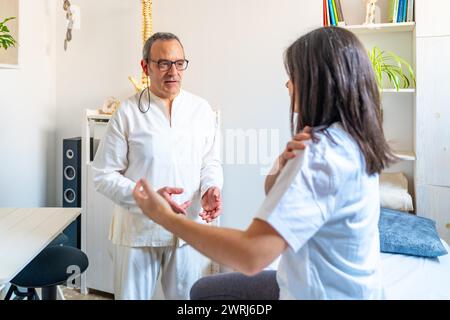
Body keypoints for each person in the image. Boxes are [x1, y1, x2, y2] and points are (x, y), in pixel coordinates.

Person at [132, 26, 395, 300]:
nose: (288, 85)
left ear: (318, 83)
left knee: (201, 294)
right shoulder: (350, 138)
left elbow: (251, 255)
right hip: (354, 287)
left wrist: (164, 217)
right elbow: (277, 191)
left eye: (293, 76)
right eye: (163, 63)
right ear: (146, 67)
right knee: (202, 289)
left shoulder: (319, 155)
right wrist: (283, 165)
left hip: (323, 293)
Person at [92, 32, 223, 300]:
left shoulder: (201, 109)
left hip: (188, 230)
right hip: (139, 232)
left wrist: (212, 187)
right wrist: (148, 198)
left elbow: (210, 161)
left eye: (179, 63)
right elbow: (103, 175)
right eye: (163, 63)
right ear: (145, 67)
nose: (172, 71)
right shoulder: (127, 112)